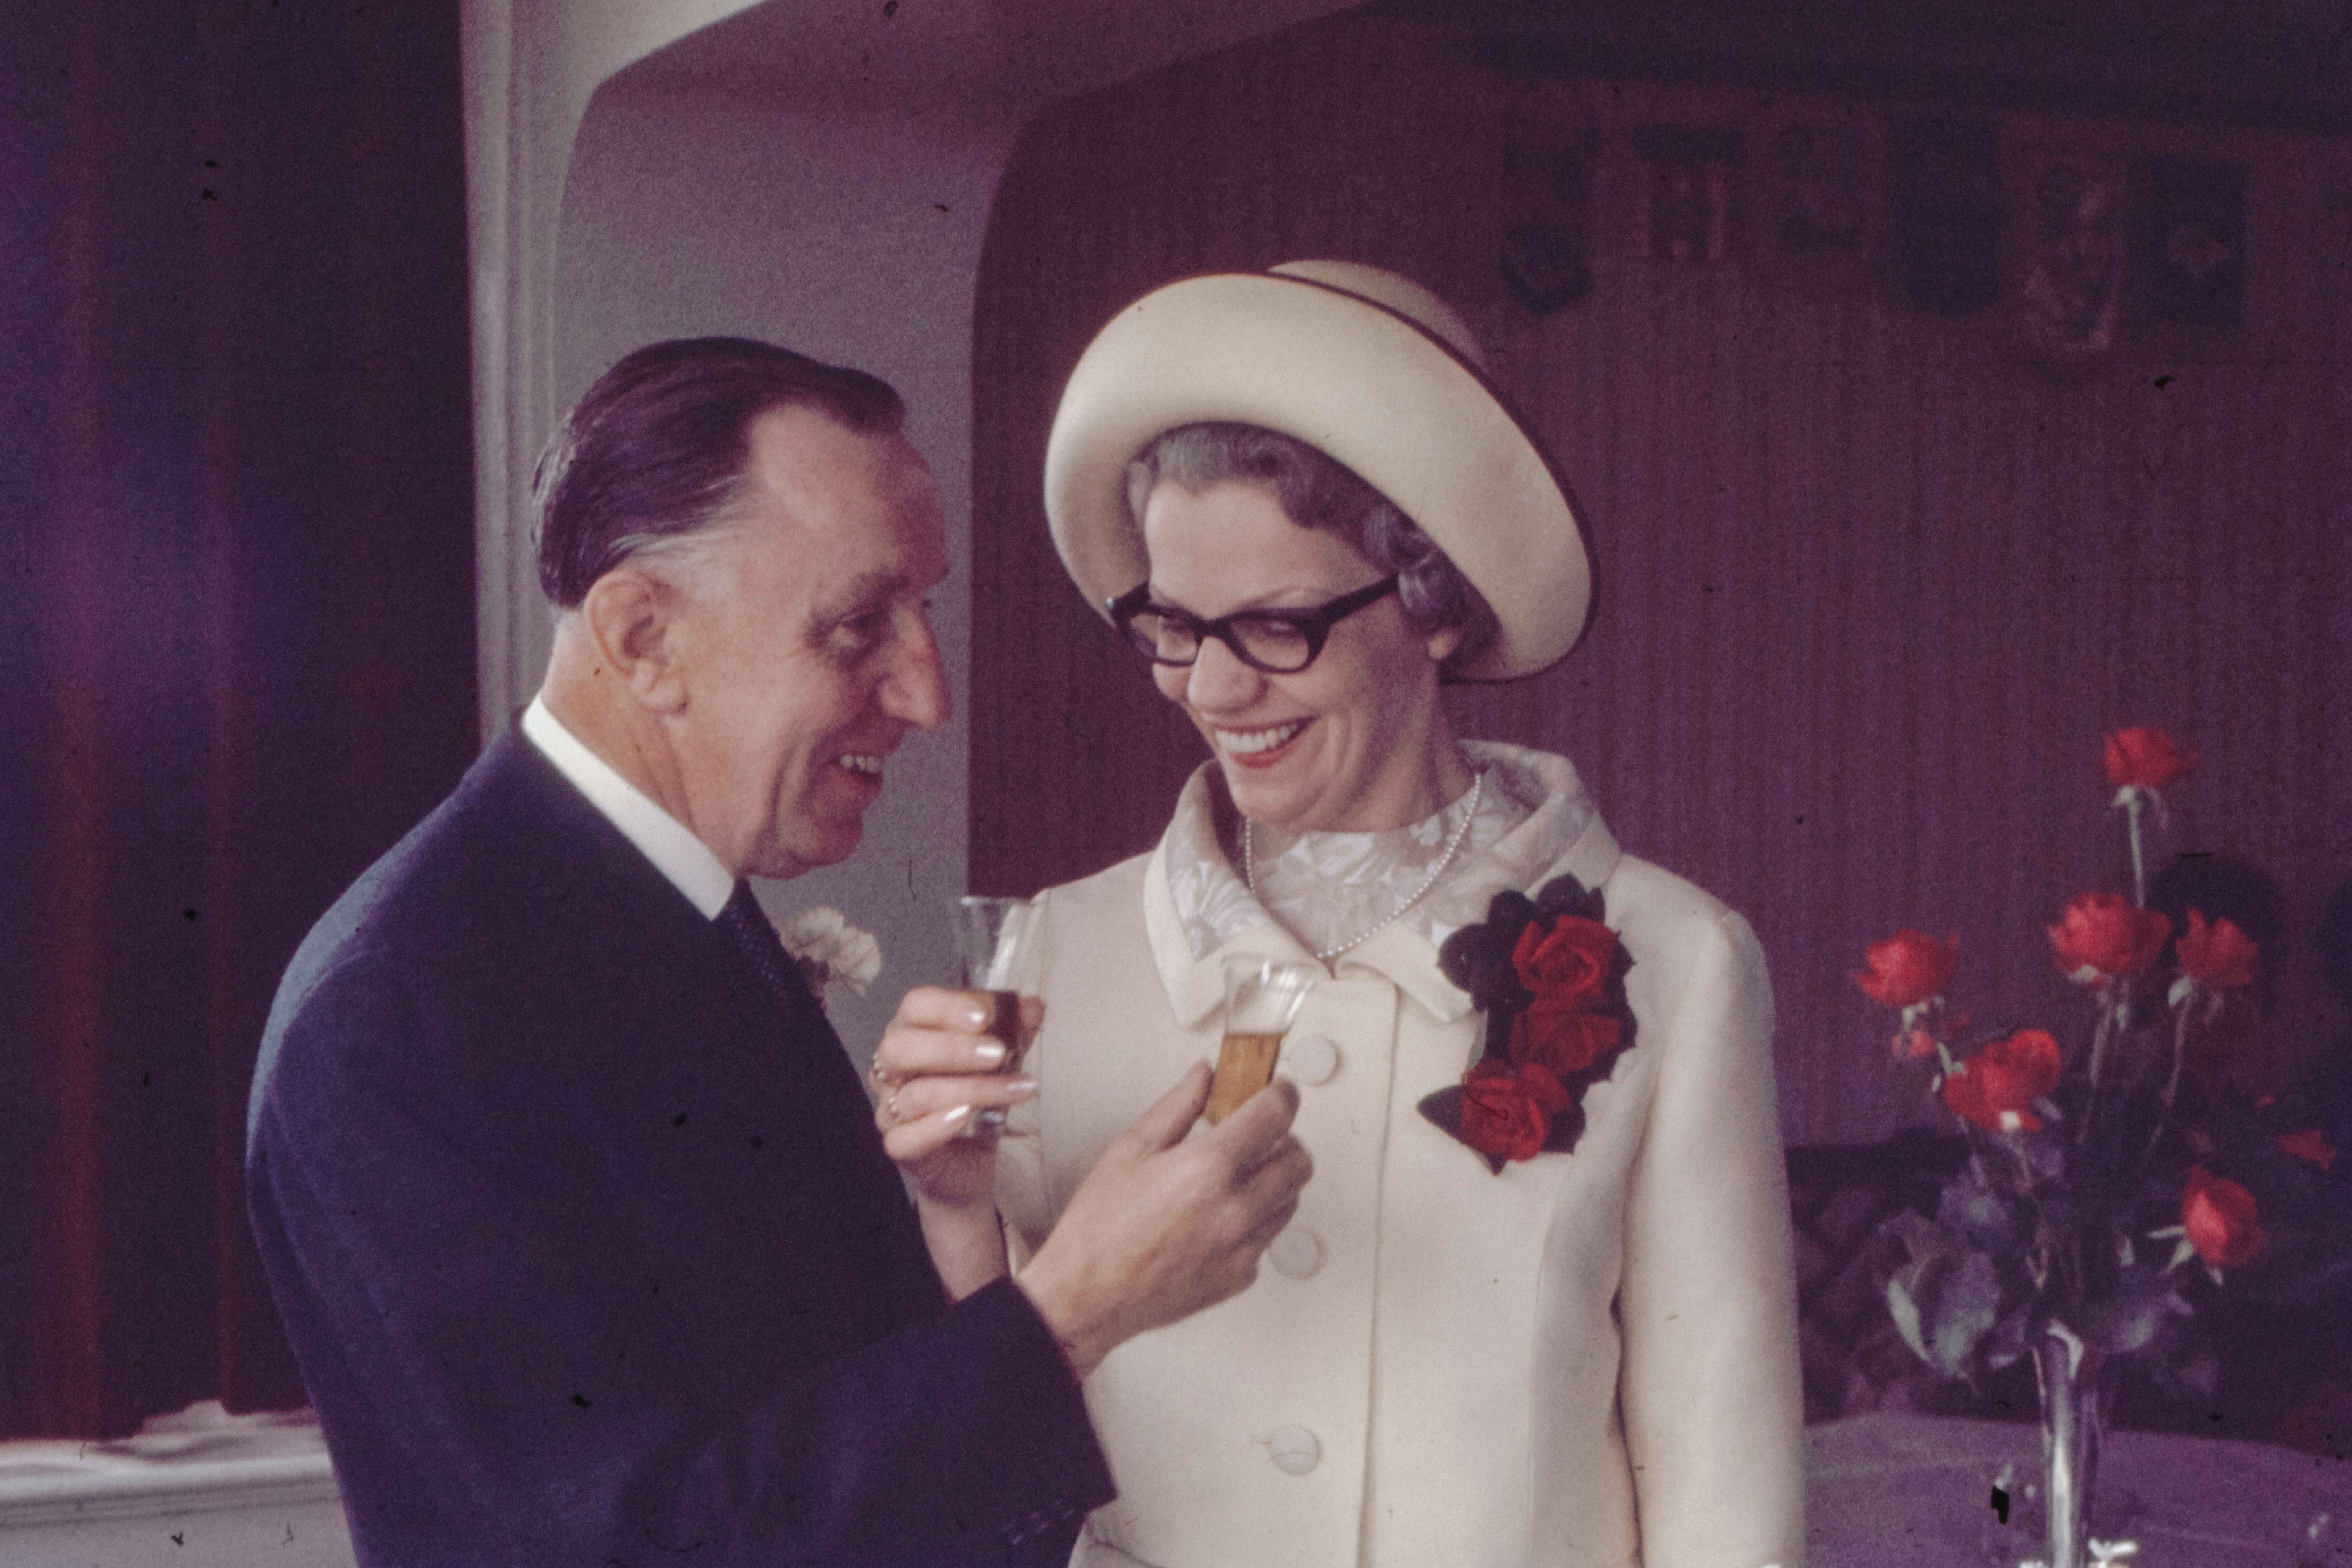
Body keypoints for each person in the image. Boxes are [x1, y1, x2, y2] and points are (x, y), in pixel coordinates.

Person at [245, 338, 1312, 1568]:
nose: (928, 696)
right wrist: (1070, 1309)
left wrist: (955, 1217)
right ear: (642, 635)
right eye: (859, 625)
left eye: (923, 611)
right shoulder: (387, 1023)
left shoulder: (692, 908)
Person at [886, 264, 1804, 1566]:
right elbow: (977, 1472)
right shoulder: (1048, 954)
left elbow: (1727, 1502)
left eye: (1274, 624)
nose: (1210, 687)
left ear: (1436, 603)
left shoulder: (1675, 962)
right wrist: (952, 1214)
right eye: (1173, 624)